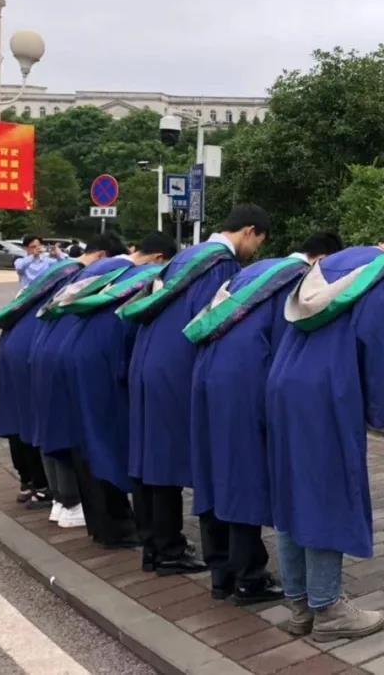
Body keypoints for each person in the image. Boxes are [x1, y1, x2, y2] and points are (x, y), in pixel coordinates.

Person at [266, 224, 384, 641]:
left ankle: (299, 605)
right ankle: (328, 608)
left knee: (292, 489)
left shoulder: (331, 262)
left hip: (284, 382)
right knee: (327, 491)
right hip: (327, 390)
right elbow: (383, 346)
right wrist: (376, 407)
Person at [188, 232, 342, 606]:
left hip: (207, 375)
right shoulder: (297, 280)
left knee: (215, 471)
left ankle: (221, 574)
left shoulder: (254, 271)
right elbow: (289, 345)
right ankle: (249, 578)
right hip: (245, 382)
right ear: (321, 259)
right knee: (244, 476)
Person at [124, 204, 269, 575]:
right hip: (177, 365)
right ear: (249, 231)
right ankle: (169, 550)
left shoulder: (186, 257)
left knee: (151, 455)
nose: (255, 252)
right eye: (258, 242)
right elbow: (215, 322)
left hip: (147, 359)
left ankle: (155, 546)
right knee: (168, 459)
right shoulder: (221, 265)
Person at [42, 233, 179, 547]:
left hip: (75, 352)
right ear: (159, 258)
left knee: (88, 441)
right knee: (104, 441)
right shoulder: (137, 275)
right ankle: (117, 527)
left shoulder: (104, 269)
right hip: (101, 360)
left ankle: (103, 524)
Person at [27, 233, 127, 528]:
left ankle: (61, 500)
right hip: (64, 355)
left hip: (44, 350)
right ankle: (70, 502)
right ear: (103, 256)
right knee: (67, 431)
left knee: (50, 427)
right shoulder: (82, 276)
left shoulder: (65, 273)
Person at [0, 248, 88, 507]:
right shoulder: (74, 279)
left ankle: (29, 482)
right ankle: (41, 486)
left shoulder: (49, 278)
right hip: (31, 350)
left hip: (13, 345)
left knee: (17, 418)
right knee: (34, 421)